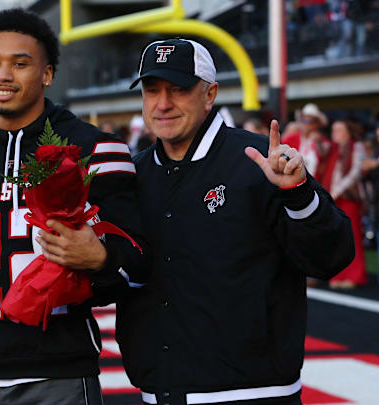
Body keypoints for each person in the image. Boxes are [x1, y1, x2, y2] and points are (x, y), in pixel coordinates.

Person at [0, 8, 146, 404]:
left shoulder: (94, 149)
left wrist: (101, 259)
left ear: (47, 74)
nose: (3, 74)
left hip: (58, 371)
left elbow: (139, 264)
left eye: (20, 63)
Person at [118, 38, 354, 405]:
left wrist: (298, 193)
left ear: (209, 94)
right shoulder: (135, 172)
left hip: (255, 393)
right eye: (152, 90)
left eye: (178, 89)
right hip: (162, 392)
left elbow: (331, 257)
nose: (162, 104)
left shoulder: (262, 160)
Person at [321, 119, 368, 289]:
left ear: (348, 131)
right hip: (332, 197)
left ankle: (354, 276)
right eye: (333, 129)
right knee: (336, 237)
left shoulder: (356, 147)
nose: (336, 133)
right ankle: (338, 275)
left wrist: (336, 192)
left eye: (339, 129)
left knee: (352, 236)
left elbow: (355, 173)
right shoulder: (330, 149)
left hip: (348, 197)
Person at [282, 103, 329, 177]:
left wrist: (318, 142)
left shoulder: (322, 141)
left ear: (317, 124)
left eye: (311, 121)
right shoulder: (291, 139)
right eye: (304, 120)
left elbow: (325, 158)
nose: (306, 123)